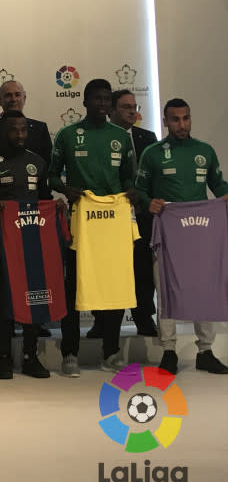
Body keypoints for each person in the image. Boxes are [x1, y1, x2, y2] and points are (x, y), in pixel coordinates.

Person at [48, 78, 135, 377]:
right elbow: (51, 177)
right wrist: (67, 189)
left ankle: (110, 352)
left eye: (106, 99)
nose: (102, 103)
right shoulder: (68, 135)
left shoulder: (121, 137)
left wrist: (129, 193)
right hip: (80, 221)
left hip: (112, 224)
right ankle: (69, 352)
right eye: (96, 99)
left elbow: (129, 178)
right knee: (74, 286)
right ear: (84, 102)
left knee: (112, 284)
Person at [136, 98, 228, 375]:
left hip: (201, 234)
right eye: (175, 119)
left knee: (204, 286)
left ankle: (205, 351)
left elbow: (218, 184)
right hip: (167, 232)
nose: (182, 124)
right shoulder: (152, 153)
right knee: (165, 290)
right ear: (165, 121)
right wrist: (148, 201)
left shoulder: (205, 151)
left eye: (186, 118)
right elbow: (139, 190)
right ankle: (168, 351)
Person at [0, 110, 55, 379]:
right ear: (3, 132)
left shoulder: (38, 162)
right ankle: (4, 358)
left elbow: (45, 199)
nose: (20, 135)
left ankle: (30, 356)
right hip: (2, 244)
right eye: (14, 130)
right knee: (4, 301)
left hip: (33, 241)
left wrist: (57, 207)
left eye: (23, 130)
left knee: (33, 297)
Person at [99, 89, 157, 337]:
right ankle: (102, 323)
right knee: (108, 269)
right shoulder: (100, 137)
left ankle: (144, 318)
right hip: (111, 214)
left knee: (143, 269)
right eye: (126, 107)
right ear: (111, 111)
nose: (133, 111)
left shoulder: (148, 137)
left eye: (135, 106)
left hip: (143, 213)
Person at [0, 80, 52, 165]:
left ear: (24, 98)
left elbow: (48, 166)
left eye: (17, 95)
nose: (13, 99)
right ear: (0, 100)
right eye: (8, 95)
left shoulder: (40, 129)